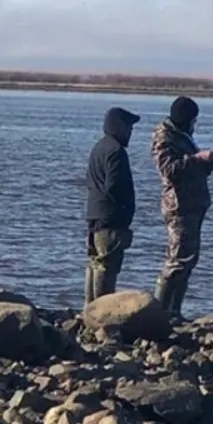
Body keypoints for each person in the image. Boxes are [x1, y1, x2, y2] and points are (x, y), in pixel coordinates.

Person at [150, 95, 213, 317]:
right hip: (179, 207)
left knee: (188, 260)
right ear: (184, 119)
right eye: (193, 120)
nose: (195, 124)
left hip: (193, 206)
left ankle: (174, 312)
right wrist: (198, 159)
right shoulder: (164, 138)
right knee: (176, 261)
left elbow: (189, 169)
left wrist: (208, 164)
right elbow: (169, 170)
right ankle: (159, 313)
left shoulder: (182, 136)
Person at [84, 106, 141, 305]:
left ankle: (89, 311)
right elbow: (115, 187)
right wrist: (125, 213)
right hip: (110, 219)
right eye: (128, 128)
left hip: (94, 215)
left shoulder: (99, 147)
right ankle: (101, 313)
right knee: (106, 266)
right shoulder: (116, 152)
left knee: (95, 264)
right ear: (118, 127)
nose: (131, 133)